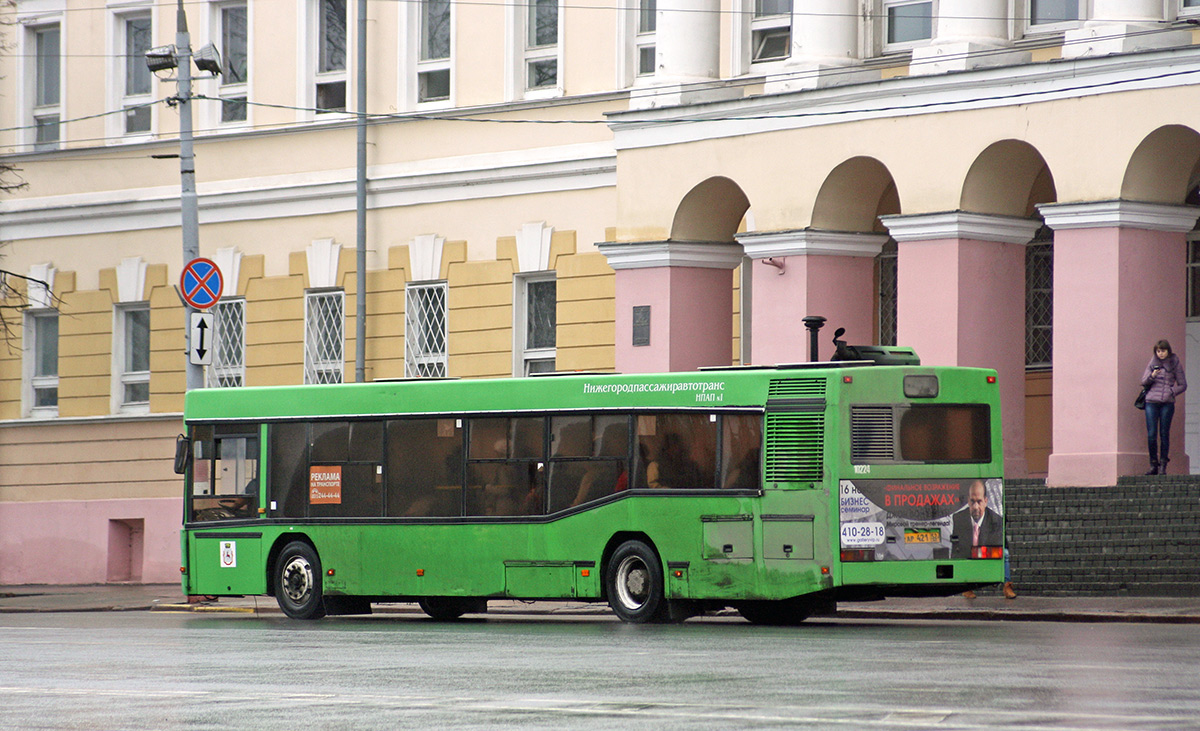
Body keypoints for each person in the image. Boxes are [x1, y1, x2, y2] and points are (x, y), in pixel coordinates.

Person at [953, 480, 1016, 600]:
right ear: (968, 500)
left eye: (979, 501)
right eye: (972, 501)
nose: (976, 507)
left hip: (986, 548)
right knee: (963, 554)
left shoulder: (996, 518)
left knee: (1005, 554)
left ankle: (1007, 586)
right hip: (969, 550)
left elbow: (997, 536)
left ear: (986, 501)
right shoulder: (959, 518)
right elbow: (956, 546)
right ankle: (967, 588)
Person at [1141, 339, 1187, 475]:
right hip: (1151, 402)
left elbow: (1183, 384)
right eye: (1158, 351)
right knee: (1151, 434)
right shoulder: (1152, 363)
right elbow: (1143, 381)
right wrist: (1152, 376)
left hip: (1167, 403)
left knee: (1164, 434)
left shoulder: (1174, 362)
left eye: (1163, 351)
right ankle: (1153, 464)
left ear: (1168, 351)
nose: (1161, 354)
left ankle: (1163, 466)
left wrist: (1171, 391)